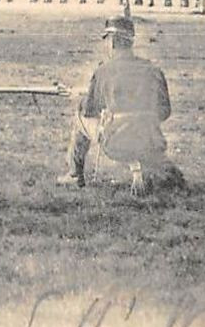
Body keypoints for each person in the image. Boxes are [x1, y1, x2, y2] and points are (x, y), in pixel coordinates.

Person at [62, 15, 185, 196]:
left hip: (116, 143)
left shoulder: (103, 71)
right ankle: (145, 169)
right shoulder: (153, 70)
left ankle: (74, 174)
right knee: (168, 173)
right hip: (150, 140)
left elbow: (90, 111)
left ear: (111, 42)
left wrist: (85, 98)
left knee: (80, 114)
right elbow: (164, 112)